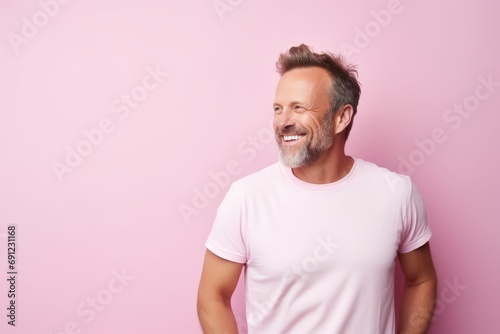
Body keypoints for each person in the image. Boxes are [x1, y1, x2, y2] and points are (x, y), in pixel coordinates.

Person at [197, 44, 437, 334]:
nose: (283, 121)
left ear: (341, 117)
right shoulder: (246, 198)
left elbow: (421, 280)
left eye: (299, 107)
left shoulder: (396, 194)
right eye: (278, 108)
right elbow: (212, 296)